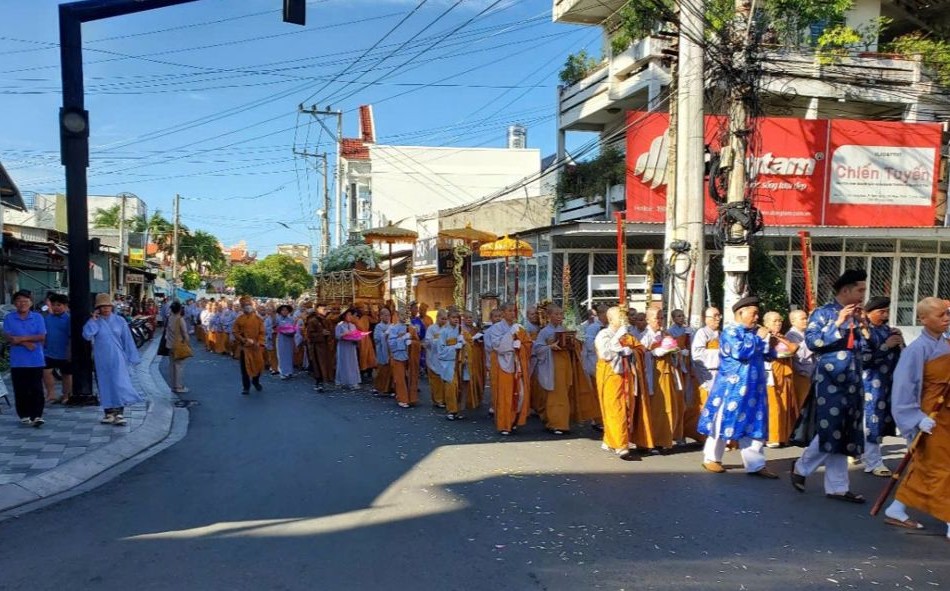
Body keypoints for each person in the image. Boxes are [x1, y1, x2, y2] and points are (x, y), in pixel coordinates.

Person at [790, 269, 869, 503]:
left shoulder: (858, 314)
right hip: (831, 379)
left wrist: (865, 327)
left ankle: (838, 487)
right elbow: (812, 342)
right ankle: (802, 467)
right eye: (860, 289)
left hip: (853, 379)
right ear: (845, 291)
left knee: (845, 432)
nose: (863, 294)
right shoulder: (823, 313)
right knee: (830, 428)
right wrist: (838, 323)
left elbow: (865, 348)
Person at [882, 297, 950, 538]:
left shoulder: (946, 344)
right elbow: (903, 388)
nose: (946, 319)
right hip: (930, 418)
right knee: (942, 467)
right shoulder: (916, 350)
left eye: (947, 314)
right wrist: (916, 418)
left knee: (926, 466)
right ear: (923, 319)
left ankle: (897, 508)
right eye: (940, 315)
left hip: (947, 416)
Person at [697, 296, 778, 478]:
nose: (757, 317)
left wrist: (769, 344)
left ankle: (756, 464)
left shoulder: (755, 333)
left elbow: (768, 356)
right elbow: (741, 352)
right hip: (731, 387)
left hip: (754, 387)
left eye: (757, 314)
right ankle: (712, 458)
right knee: (722, 420)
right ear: (740, 313)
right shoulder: (730, 332)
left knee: (754, 423)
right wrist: (759, 339)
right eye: (753, 313)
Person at [83, 293, 142, 426]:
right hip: (101, 358)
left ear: (111, 306)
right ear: (98, 308)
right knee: (104, 383)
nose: (105, 309)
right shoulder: (95, 322)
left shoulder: (120, 321)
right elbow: (87, 335)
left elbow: (127, 340)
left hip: (118, 357)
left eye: (107, 306)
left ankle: (120, 412)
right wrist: (92, 320)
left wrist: (132, 357)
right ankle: (108, 412)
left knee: (119, 383)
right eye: (102, 306)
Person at [860, 296, 903, 476]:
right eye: (881, 312)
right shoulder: (862, 332)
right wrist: (885, 346)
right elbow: (864, 359)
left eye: (886, 312)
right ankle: (873, 462)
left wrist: (899, 343)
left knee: (881, 421)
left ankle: (866, 455)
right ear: (868, 313)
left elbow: (902, 356)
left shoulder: (888, 330)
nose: (885, 316)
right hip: (870, 384)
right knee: (872, 421)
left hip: (888, 384)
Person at [594, 306, 643, 461]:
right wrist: (619, 344)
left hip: (626, 376)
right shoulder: (604, 334)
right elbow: (605, 354)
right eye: (619, 317)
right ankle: (621, 445)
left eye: (624, 317)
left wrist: (632, 352)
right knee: (615, 409)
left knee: (627, 407)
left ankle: (611, 440)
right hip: (610, 376)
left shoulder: (627, 335)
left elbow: (640, 349)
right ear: (610, 320)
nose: (623, 320)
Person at [484, 302, 531, 435]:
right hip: (503, 363)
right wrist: (511, 336)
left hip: (518, 364)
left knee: (520, 393)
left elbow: (527, 344)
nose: (512, 313)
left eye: (514, 311)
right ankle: (504, 424)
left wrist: (521, 346)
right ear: (503, 313)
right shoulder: (496, 328)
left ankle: (514, 419)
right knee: (505, 394)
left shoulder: (520, 327)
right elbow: (497, 346)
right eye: (509, 311)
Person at [3, 291, 47, 426]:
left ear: (31, 303)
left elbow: (41, 336)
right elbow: (9, 338)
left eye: (25, 301)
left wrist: (21, 339)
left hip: (35, 360)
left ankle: (37, 416)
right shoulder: (9, 318)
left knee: (36, 389)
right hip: (18, 361)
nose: (22, 304)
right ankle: (24, 414)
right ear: (14, 303)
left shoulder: (38, 317)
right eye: (18, 301)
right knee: (21, 389)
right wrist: (26, 343)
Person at [534, 305, 573, 434]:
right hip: (551, 365)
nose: (559, 317)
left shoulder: (564, 330)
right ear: (549, 316)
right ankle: (554, 423)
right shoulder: (544, 331)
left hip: (564, 364)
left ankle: (563, 422)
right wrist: (550, 346)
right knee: (554, 394)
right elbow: (537, 349)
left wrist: (573, 343)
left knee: (563, 393)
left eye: (561, 314)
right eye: (556, 314)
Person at [762, 311, 799, 447]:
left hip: (784, 372)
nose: (778, 324)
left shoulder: (782, 336)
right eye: (774, 321)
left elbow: (794, 348)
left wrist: (781, 338)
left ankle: (784, 436)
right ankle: (772, 436)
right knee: (773, 405)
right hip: (769, 373)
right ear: (766, 323)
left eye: (780, 321)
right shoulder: (763, 336)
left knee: (785, 403)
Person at [43, 293, 72, 404]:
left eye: (59, 305)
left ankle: (66, 395)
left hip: (64, 352)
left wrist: (69, 351)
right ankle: (51, 394)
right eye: (54, 305)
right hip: (48, 351)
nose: (56, 307)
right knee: (46, 372)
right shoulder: (47, 318)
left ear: (65, 306)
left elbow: (70, 337)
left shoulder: (69, 319)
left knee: (66, 374)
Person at [233, 296, 265, 396]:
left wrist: (258, 342)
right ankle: (246, 387)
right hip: (245, 347)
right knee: (244, 368)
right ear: (242, 307)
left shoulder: (258, 319)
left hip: (256, 346)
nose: (248, 307)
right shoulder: (239, 319)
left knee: (258, 365)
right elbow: (235, 332)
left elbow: (262, 332)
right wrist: (243, 340)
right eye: (245, 305)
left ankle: (256, 381)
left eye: (249, 305)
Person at [437, 309, 466, 420]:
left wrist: (464, 344)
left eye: (457, 318)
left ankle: (458, 409)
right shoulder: (443, 332)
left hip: (459, 362)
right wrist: (455, 347)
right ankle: (451, 410)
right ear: (449, 318)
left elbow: (468, 344)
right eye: (453, 317)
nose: (456, 319)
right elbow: (441, 351)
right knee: (450, 386)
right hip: (448, 363)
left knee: (459, 386)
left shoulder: (461, 330)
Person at [691, 307, 721, 407]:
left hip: (720, 373)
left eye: (719, 315)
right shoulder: (702, 333)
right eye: (715, 316)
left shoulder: (721, 334)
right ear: (705, 318)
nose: (718, 319)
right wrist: (721, 352)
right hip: (706, 374)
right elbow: (698, 355)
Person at [785, 309, 815, 408]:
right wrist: (812, 339)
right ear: (793, 321)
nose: (806, 321)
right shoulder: (791, 336)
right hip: (801, 375)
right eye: (802, 319)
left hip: (811, 374)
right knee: (802, 404)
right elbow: (801, 353)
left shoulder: (805, 333)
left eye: (806, 318)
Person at [388, 309, 415, 408]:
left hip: (408, 356)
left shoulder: (410, 328)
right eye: (402, 315)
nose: (404, 317)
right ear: (398, 316)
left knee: (407, 377)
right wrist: (402, 339)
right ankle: (402, 398)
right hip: (398, 355)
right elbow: (391, 343)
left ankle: (410, 397)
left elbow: (416, 341)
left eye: (406, 315)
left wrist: (412, 342)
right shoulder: (394, 328)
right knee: (400, 379)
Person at [306, 304, 334, 392]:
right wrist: (321, 334)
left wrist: (329, 334)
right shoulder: (312, 321)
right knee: (318, 365)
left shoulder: (327, 320)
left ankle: (325, 380)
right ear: (317, 310)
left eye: (326, 308)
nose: (325, 310)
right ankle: (318, 382)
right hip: (317, 347)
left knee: (326, 364)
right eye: (323, 309)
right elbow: (310, 335)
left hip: (326, 346)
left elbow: (332, 332)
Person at [164, 301, 189, 394]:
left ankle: (173, 386)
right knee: (178, 366)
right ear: (179, 309)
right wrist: (187, 343)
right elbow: (185, 333)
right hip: (178, 345)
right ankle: (178, 386)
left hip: (170, 344)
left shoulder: (170, 318)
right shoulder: (180, 319)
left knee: (172, 366)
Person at [425, 309, 447, 408]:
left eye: (445, 319)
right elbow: (428, 342)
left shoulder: (447, 328)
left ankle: (444, 399)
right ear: (437, 318)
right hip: (433, 356)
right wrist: (437, 340)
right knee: (435, 380)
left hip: (444, 357)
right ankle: (437, 400)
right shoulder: (431, 328)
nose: (444, 321)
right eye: (442, 319)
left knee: (444, 379)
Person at [335, 307, 361, 390]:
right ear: (344, 316)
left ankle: (353, 381)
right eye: (348, 315)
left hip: (351, 346)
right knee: (344, 363)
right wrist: (344, 334)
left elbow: (356, 334)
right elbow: (337, 336)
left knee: (352, 363)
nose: (350, 317)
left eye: (351, 315)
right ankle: (342, 380)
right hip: (343, 347)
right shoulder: (340, 325)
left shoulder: (353, 325)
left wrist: (357, 337)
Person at [372, 307, 393, 396]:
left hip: (390, 350)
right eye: (385, 315)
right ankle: (379, 388)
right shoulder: (378, 326)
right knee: (382, 370)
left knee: (390, 370)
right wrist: (385, 335)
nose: (387, 317)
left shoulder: (392, 326)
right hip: (382, 350)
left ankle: (388, 388)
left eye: (388, 315)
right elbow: (376, 338)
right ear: (381, 316)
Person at [275, 304, 297, 380]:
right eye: (283, 310)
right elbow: (277, 328)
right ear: (280, 311)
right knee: (282, 355)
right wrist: (285, 329)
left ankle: (289, 372)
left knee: (289, 355)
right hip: (281, 339)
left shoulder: (291, 319)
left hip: (290, 339)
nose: (285, 311)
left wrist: (292, 331)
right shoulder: (277, 319)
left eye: (286, 310)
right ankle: (283, 372)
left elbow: (294, 328)